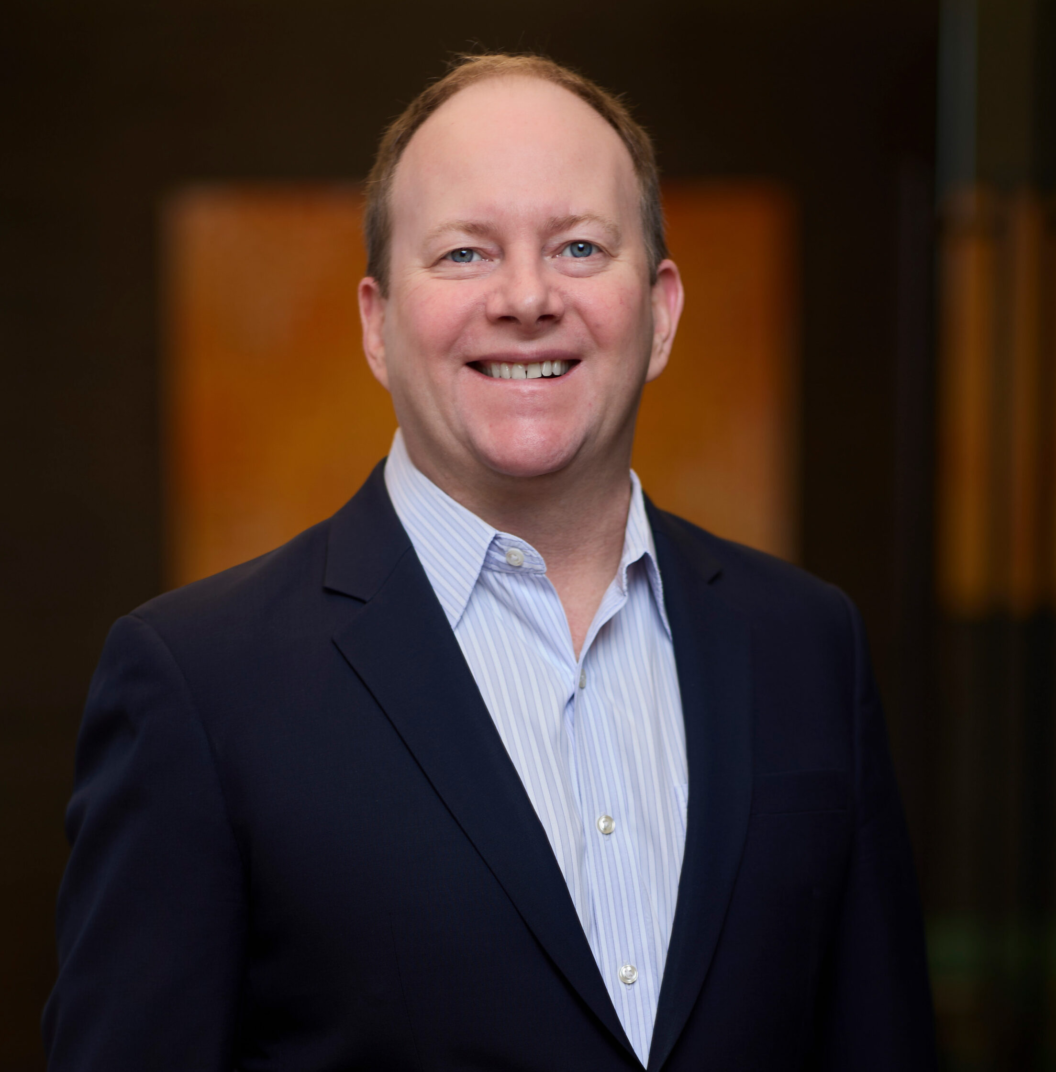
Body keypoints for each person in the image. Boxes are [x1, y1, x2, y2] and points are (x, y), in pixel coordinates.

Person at [44, 53, 936, 1071]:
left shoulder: (809, 645)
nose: (525, 297)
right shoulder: (197, 686)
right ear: (378, 324)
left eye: (581, 247)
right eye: (466, 253)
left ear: (662, 310)